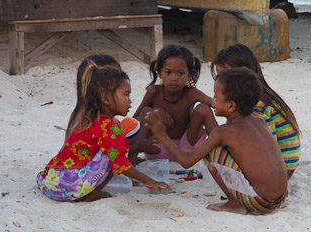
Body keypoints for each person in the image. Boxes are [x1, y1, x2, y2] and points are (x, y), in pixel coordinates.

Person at [145, 67, 288, 214]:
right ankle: (238, 199)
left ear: (231, 106)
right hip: (281, 197)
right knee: (216, 142)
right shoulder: (259, 121)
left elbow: (186, 161)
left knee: (211, 150)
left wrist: (161, 134)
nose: (212, 100)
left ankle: (234, 203)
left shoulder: (224, 131)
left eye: (216, 97)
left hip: (260, 202)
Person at [37, 63, 169, 202]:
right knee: (113, 155)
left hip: (52, 183)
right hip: (71, 187)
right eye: (126, 95)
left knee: (112, 151)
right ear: (105, 98)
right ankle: (92, 195)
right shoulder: (108, 126)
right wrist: (149, 181)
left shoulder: (90, 120)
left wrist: (139, 147)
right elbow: (120, 163)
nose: (130, 101)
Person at [211, 44, 301, 180]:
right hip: (285, 166)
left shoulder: (255, 105)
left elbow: (266, 147)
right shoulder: (260, 95)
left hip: (280, 171)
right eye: (220, 76)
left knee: (216, 151)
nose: (223, 81)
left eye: (227, 74)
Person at [65, 54, 160, 165]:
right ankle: (130, 163)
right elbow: (104, 156)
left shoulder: (86, 114)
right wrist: (138, 147)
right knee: (132, 125)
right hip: (89, 173)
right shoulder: (91, 120)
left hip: (94, 165)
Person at [133, 44, 217, 161]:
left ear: (190, 75)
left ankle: (220, 154)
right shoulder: (154, 92)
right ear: (159, 73)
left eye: (180, 73)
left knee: (203, 109)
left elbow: (215, 104)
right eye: (168, 72)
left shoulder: (191, 93)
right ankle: (131, 160)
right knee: (146, 111)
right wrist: (156, 112)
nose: (174, 78)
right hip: (157, 148)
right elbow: (135, 120)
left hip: (186, 149)